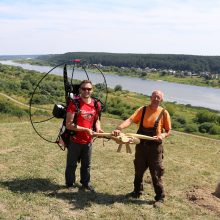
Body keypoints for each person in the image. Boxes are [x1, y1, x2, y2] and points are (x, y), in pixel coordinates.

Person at [112, 90, 171, 203]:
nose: (156, 99)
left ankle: (160, 197)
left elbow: (168, 130)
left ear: (161, 100)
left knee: (156, 173)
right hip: (141, 146)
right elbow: (130, 120)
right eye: (154, 96)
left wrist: (162, 135)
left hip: (155, 148)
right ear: (150, 97)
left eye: (158, 97)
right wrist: (119, 128)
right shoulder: (142, 110)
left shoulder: (164, 113)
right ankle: (137, 191)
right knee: (138, 170)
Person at [65, 80, 103, 192]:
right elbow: (69, 124)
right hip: (75, 140)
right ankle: (70, 184)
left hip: (88, 141)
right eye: (84, 89)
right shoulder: (74, 103)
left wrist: (98, 128)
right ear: (80, 90)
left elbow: (97, 119)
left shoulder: (96, 104)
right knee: (71, 164)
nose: (86, 91)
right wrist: (86, 129)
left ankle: (86, 183)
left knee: (87, 164)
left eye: (89, 89)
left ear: (92, 90)